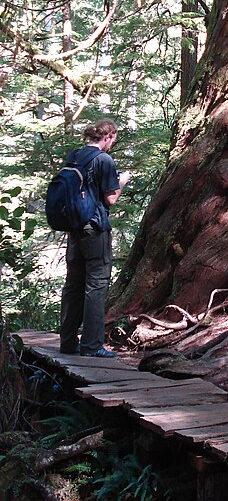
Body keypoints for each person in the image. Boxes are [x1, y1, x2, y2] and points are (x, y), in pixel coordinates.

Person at [59, 118, 131, 358]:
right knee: (96, 284)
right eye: (114, 139)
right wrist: (121, 182)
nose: (112, 143)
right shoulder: (103, 160)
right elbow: (110, 199)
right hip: (95, 228)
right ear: (108, 136)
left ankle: (68, 342)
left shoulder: (74, 155)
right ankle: (92, 345)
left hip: (74, 227)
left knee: (73, 284)